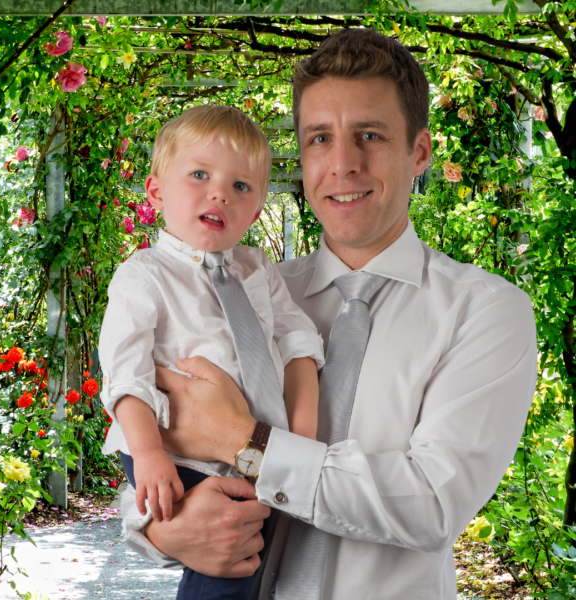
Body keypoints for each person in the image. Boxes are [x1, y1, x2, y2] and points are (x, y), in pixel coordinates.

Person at [120, 30, 537, 599]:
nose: (342, 164)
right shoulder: (248, 297)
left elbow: (432, 504)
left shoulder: (486, 312)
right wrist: (162, 529)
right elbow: (153, 436)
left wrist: (248, 441)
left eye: (369, 135)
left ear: (419, 152)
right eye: (320, 138)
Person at [99, 105, 324, 599]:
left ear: (258, 208)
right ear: (156, 191)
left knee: (245, 560)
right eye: (199, 174)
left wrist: (299, 438)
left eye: (241, 186)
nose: (220, 192)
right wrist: (149, 452)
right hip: (168, 445)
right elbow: (127, 375)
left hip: (249, 445)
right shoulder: (143, 275)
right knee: (225, 568)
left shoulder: (258, 269)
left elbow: (298, 341)